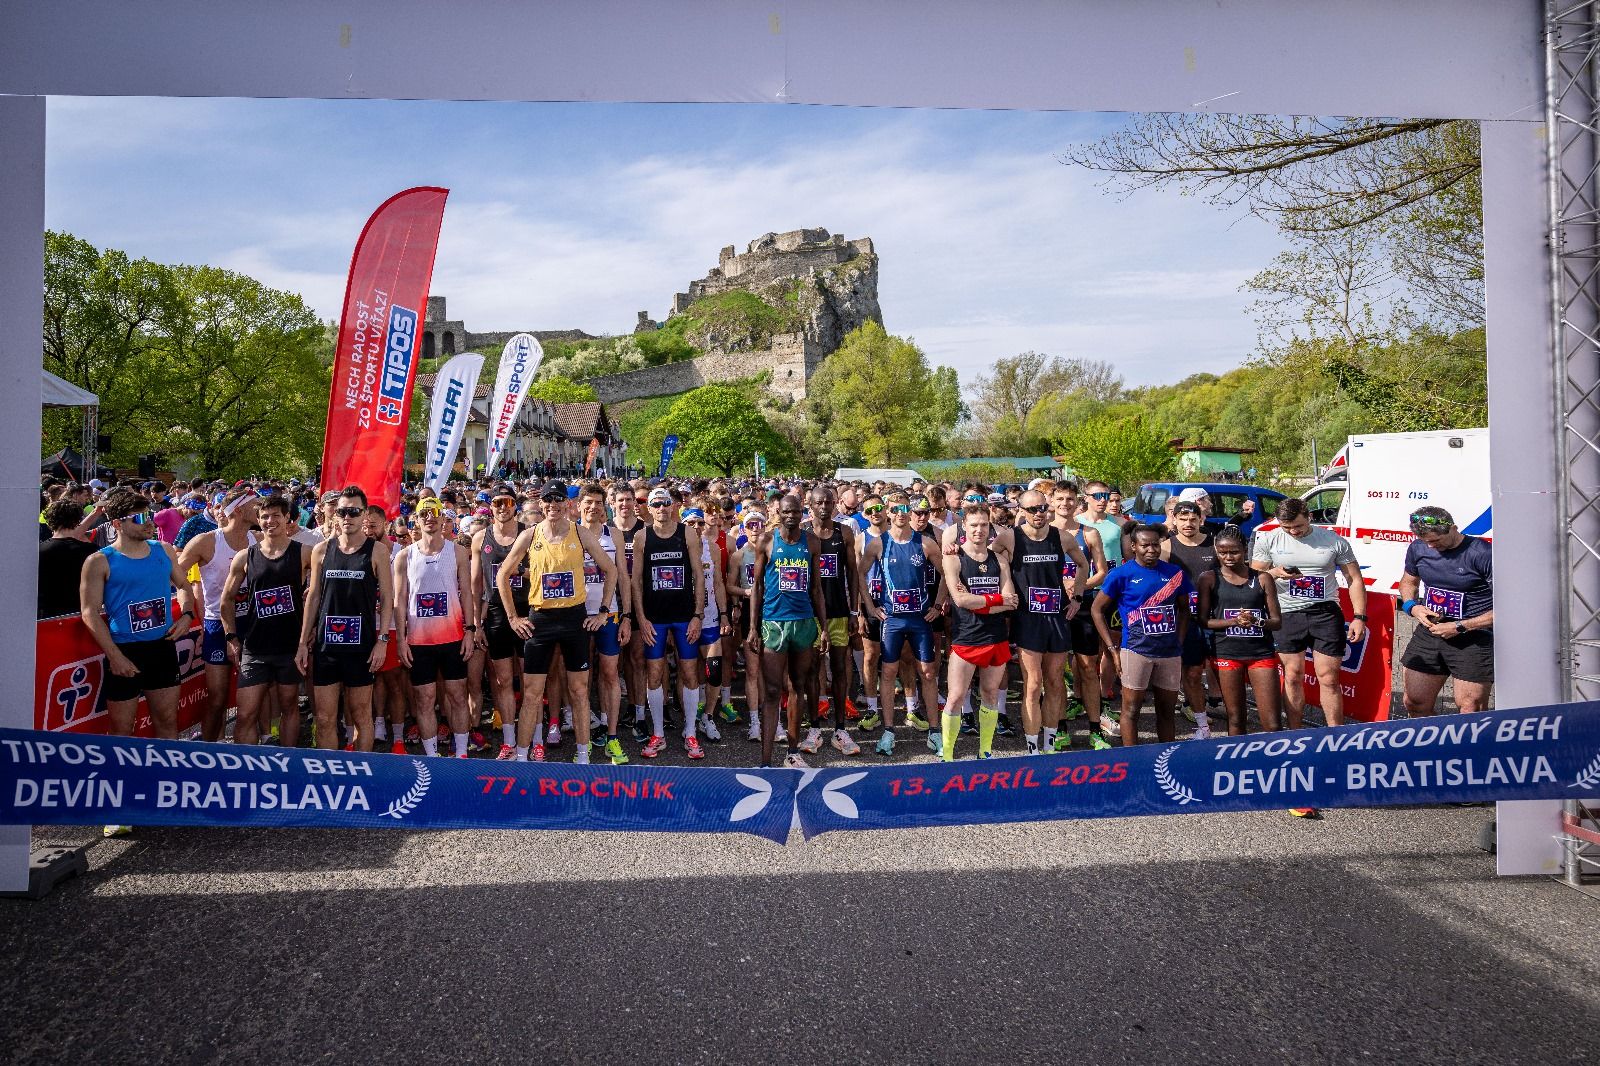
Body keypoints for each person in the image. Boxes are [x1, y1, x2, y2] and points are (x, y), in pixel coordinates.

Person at [78, 487, 195, 836]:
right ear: (117, 523)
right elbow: (89, 613)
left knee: (167, 724)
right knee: (121, 733)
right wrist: (114, 655)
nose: (150, 523)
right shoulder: (99, 561)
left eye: (151, 515)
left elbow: (183, 584)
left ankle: (166, 798)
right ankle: (117, 807)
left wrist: (187, 614)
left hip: (161, 648)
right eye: (141, 518)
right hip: (124, 651)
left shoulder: (163, 550)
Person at [503, 482, 617, 763]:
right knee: (532, 694)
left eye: (558, 499)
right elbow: (502, 574)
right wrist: (513, 618)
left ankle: (583, 756)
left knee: (579, 691)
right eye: (547, 500)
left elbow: (611, 569)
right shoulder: (529, 535)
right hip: (540, 620)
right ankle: (522, 758)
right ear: (541, 504)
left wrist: (603, 612)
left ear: (568, 504)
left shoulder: (580, 533)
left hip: (573, 619)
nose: (553, 505)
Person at [1251, 496, 1366, 728]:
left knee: (1329, 678)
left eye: (1298, 526)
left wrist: (1359, 616)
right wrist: (1275, 573)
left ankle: (1335, 734)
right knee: (1293, 675)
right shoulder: (1268, 539)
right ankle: (1296, 734)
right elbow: (1255, 578)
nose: (1293, 531)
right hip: (1286, 613)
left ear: (1309, 517)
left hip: (1325, 613)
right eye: (1287, 527)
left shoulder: (1334, 540)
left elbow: (1353, 578)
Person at [297, 486, 394, 752]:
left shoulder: (377, 551)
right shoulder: (321, 550)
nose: (347, 517)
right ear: (334, 514)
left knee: (361, 715)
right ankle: (331, 770)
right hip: (326, 647)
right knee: (325, 718)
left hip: (361, 647)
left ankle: (361, 769)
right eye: (342, 512)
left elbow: (387, 598)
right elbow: (313, 597)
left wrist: (383, 640)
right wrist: (303, 643)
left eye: (353, 511)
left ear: (364, 514)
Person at [1001, 489, 1088, 754]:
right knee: (1032, 685)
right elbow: (983, 557)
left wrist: (1078, 597)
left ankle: (1049, 744)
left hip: (1057, 617)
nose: (1038, 514)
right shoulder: (1010, 537)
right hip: (1028, 619)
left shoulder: (1061, 537)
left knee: (1055, 682)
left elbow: (1083, 565)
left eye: (1042, 508)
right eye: (1032, 510)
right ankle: (1032, 748)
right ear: (1021, 511)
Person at [1091, 525, 1194, 746]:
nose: (1151, 550)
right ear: (1133, 546)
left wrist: (1179, 641)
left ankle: (1166, 755)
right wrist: (1112, 649)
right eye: (1145, 545)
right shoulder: (1121, 574)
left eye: (1155, 545)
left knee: (1166, 712)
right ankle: (1132, 759)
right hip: (1135, 650)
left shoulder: (1175, 573)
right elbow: (1097, 610)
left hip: (1169, 653)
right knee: (1131, 711)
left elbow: (1185, 610)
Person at [220, 493, 310, 748]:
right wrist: (231, 637)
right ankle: (246, 766)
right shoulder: (245, 556)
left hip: (290, 647)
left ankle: (287, 762)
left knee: (289, 707)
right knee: (245, 714)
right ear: (258, 520)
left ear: (287, 518)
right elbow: (226, 600)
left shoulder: (304, 552)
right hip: (255, 647)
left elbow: (323, 590)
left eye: (276, 516)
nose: (270, 521)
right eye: (265, 517)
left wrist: (311, 629)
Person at [860, 491, 944, 757]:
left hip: (919, 618)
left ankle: (934, 732)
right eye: (895, 509)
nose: (900, 514)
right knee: (888, 672)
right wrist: (870, 607)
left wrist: (938, 605)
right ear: (887, 511)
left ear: (910, 512)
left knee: (927, 672)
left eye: (904, 509)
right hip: (893, 619)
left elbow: (947, 573)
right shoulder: (878, 544)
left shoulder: (925, 543)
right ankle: (888, 732)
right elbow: (860, 574)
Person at [394, 498, 478, 758]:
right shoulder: (404, 556)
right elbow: (399, 601)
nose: (430, 517)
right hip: (419, 642)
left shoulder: (458, 552)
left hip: (453, 638)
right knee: (424, 699)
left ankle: (461, 753)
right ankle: (432, 757)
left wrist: (470, 630)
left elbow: (467, 594)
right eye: (424, 514)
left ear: (443, 518)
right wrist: (401, 640)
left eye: (435, 513)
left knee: (458, 696)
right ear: (417, 521)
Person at [747, 494, 826, 768]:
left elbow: (816, 588)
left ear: (802, 512)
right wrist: (753, 627)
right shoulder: (766, 541)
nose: (791, 516)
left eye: (796, 511)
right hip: (774, 623)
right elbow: (757, 587)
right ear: (778, 513)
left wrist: (824, 628)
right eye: (786, 512)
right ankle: (765, 761)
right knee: (771, 691)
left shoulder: (812, 542)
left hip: (803, 622)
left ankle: (793, 752)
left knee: (797, 686)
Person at [177, 486, 260, 743]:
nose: (259, 509)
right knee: (217, 698)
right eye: (255, 505)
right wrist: (188, 605)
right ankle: (210, 749)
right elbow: (176, 575)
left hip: (251, 623)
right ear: (239, 509)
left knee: (253, 697)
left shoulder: (258, 539)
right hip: (217, 625)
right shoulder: (207, 541)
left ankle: (248, 748)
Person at [630, 485, 705, 758]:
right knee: (654, 675)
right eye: (656, 504)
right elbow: (636, 582)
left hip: (684, 616)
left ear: (673, 506)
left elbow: (698, 575)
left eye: (665, 503)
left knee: (689, 673)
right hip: (655, 618)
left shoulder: (687, 533)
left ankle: (691, 732)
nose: (661, 508)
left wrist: (697, 615)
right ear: (649, 509)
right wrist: (641, 618)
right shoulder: (642, 536)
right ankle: (658, 734)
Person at [1397, 505, 1494, 715]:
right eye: (1426, 541)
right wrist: (1412, 607)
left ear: (1453, 528)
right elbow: (1408, 582)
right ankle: (1434, 738)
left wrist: (1460, 626)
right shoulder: (1418, 548)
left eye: (1436, 541)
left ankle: (1468, 740)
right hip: (1431, 631)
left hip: (1474, 636)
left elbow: (1508, 606)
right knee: (1414, 702)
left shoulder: (1482, 553)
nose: (1431, 546)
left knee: (1470, 708)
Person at [941, 503, 1019, 759]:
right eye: (974, 525)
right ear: (964, 526)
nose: (979, 530)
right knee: (955, 697)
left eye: (984, 525)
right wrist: (996, 600)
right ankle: (948, 754)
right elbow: (960, 600)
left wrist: (981, 602)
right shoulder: (953, 558)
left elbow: (1011, 601)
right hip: (966, 637)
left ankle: (985, 750)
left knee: (990, 694)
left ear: (990, 527)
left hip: (996, 637)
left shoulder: (1000, 560)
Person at [1196, 524, 1282, 738]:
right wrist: (1233, 621)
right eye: (1222, 552)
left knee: (1272, 723)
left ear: (1245, 549)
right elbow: (1203, 621)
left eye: (1234, 552)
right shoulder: (1208, 578)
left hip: (1260, 653)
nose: (1228, 557)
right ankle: (1237, 758)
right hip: (1226, 653)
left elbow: (1276, 622)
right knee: (1236, 718)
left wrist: (1256, 621)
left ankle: (1274, 757)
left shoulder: (1262, 578)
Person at [801, 484, 863, 756]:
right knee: (812, 670)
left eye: (829, 502)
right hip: (809, 613)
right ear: (810, 505)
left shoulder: (844, 532)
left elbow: (853, 573)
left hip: (838, 611)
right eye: (819, 503)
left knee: (839, 668)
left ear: (835, 504)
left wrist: (854, 612)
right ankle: (814, 728)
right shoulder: (802, 532)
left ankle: (840, 729)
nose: (824, 507)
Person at [578, 481, 633, 765]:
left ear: (604, 506)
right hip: (577, 614)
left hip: (608, 613)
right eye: (588, 502)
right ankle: (584, 738)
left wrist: (627, 616)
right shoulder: (571, 532)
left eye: (598, 503)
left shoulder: (614, 535)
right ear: (579, 505)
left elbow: (623, 576)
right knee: (581, 678)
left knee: (610, 673)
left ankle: (611, 736)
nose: (593, 507)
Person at [473, 484, 527, 759]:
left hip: (527, 612)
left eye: (507, 502)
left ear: (515, 505)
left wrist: (520, 571)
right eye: (497, 503)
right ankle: (509, 741)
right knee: (503, 680)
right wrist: (476, 624)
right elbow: (475, 584)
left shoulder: (529, 534)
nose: (502, 507)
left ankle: (532, 740)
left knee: (530, 681)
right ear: (490, 507)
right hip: (496, 614)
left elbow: (543, 572)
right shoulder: (480, 538)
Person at [1161, 499, 1218, 740]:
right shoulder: (1166, 547)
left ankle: (1236, 720)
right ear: (1174, 520)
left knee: (1223, 672)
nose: (1188, 524)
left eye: (1193, 519)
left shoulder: (1214, 544)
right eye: (1183, 519)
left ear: (1201, 520)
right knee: (1192, 673)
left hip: (1216, 618)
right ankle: (1202, 725)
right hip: (1184, 619)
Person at [39, 499, 95, 619]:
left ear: (49, 521)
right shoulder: (92, 551)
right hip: (82, 615)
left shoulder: (38, 552)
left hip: (46, 617)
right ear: (77, 521)